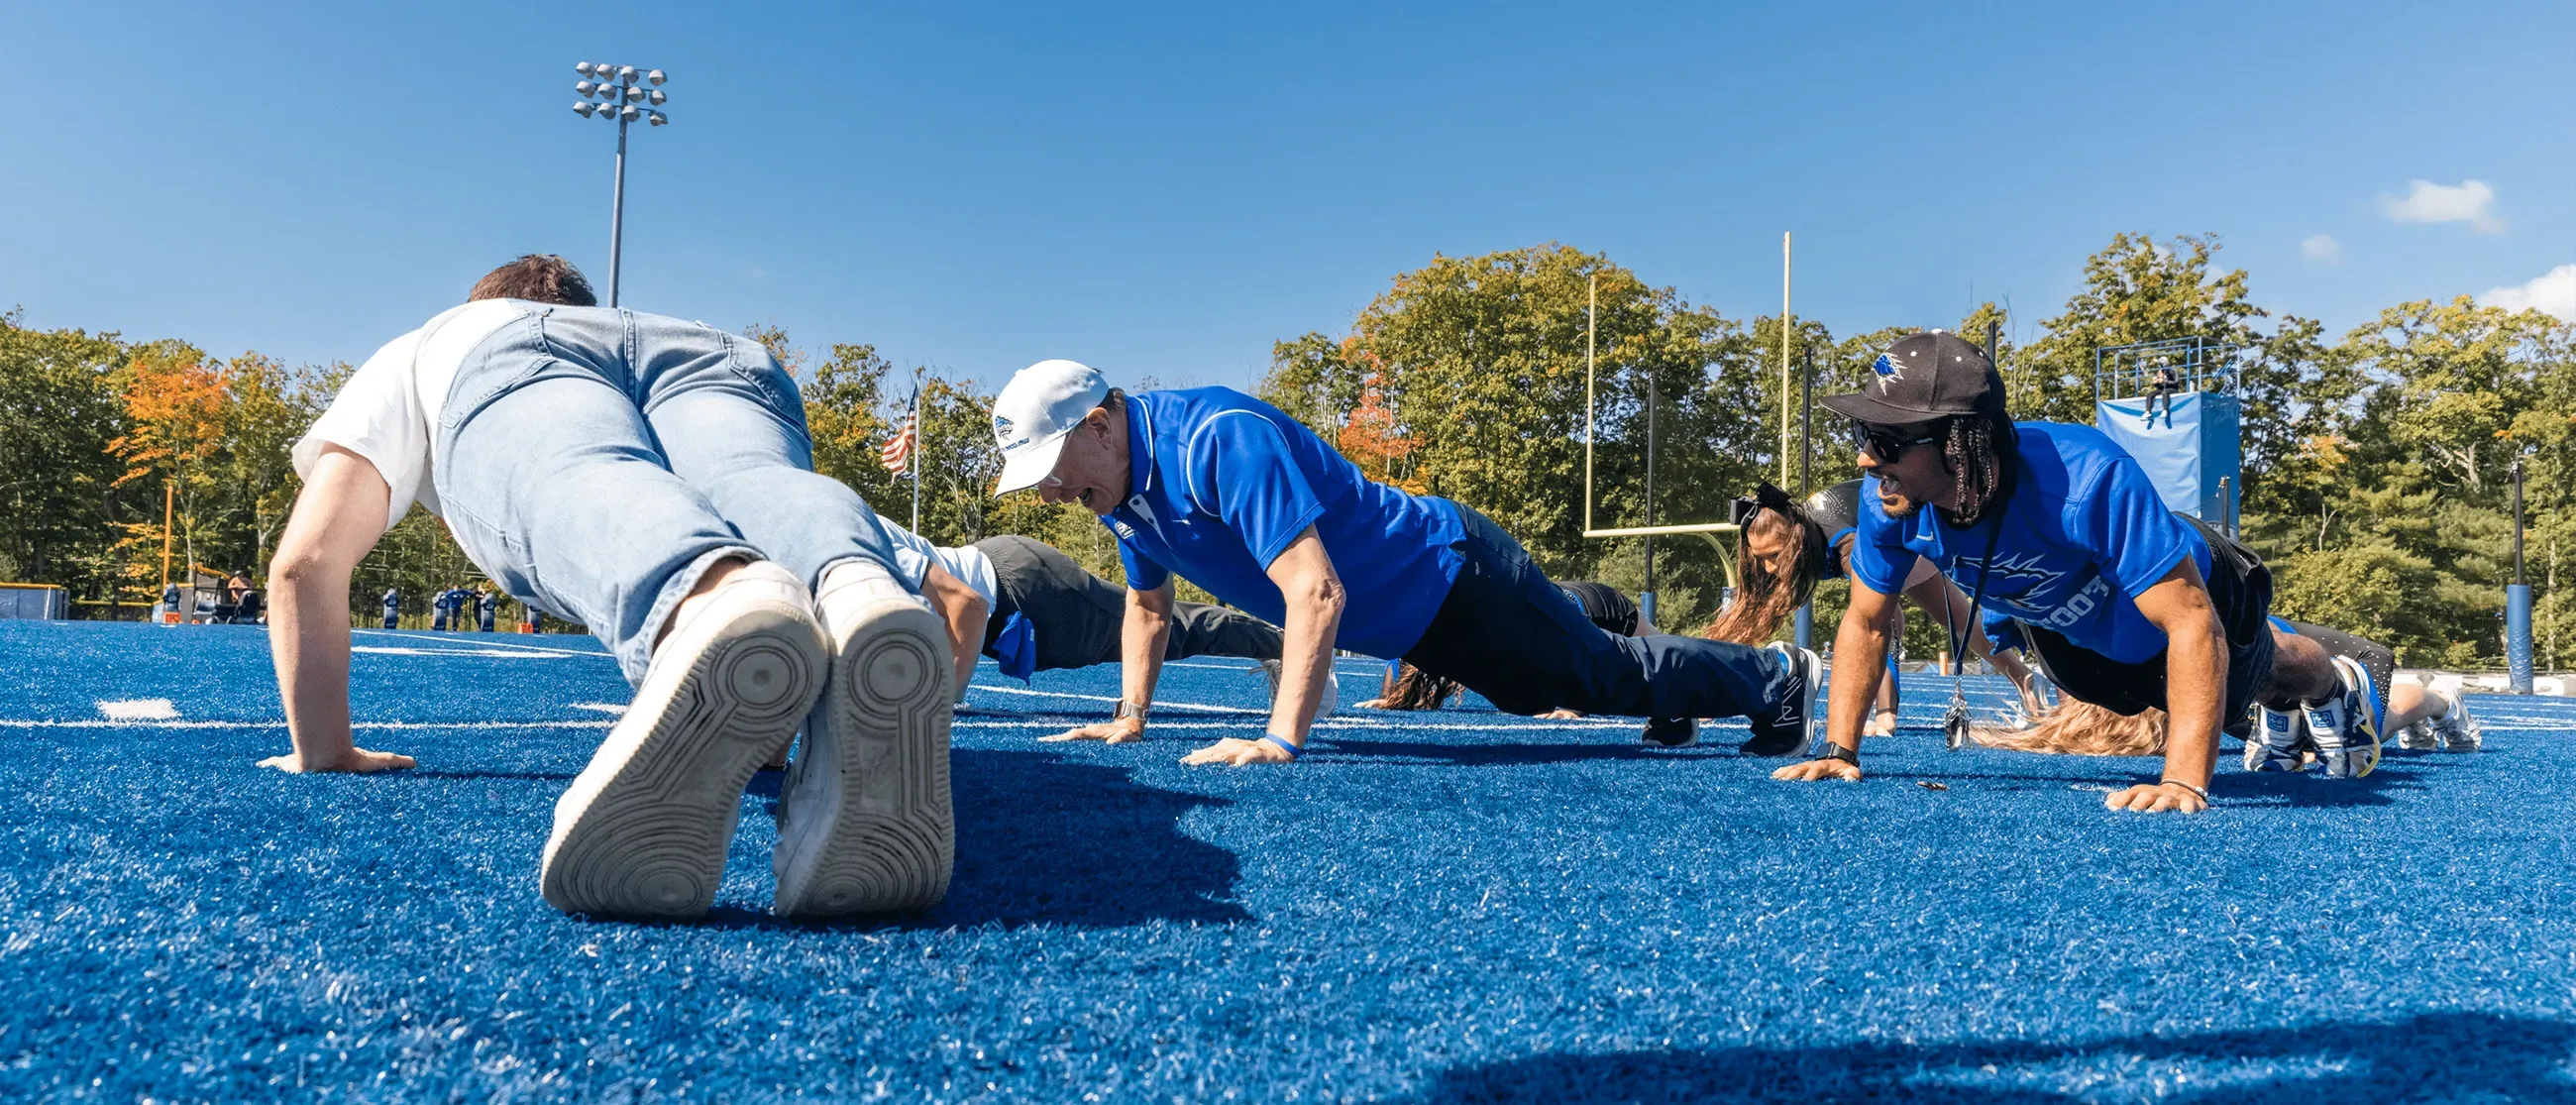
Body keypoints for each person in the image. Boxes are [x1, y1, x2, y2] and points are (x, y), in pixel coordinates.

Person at [261, 254, 953, 921]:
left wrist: (325, 752)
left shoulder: (434, 339)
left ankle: (707, 597)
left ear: (487, 304)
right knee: (754, 483)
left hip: (506, 358)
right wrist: (766, 739)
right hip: (718, 352)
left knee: (578, 468)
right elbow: (764, 662)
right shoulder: (638, 321)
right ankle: (856, 584)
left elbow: (307, 560)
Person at [988, 360, 1823, 764]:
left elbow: (1316, 590)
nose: (1049, 492)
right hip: (1417, 615)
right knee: (1548, 691)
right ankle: (1680, 683)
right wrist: (1131, 713)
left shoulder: (1215, 440)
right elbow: (1146, 608)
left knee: (1597, 677)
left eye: (1050, 466)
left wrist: (1281, 740)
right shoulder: (1121, 494)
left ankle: (1774, 675)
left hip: (1452, 572)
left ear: (1100, 423)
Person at [1774, 331, 2381, 815]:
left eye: (1886, 438)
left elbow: (2193, 624)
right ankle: (2276, 710)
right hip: (2090, 639)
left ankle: (2336, 688)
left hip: (2201, 589)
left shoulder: (2088, 477)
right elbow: (1868, 621)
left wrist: (2183, 782)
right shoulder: (1891, 498)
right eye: (1863, 433)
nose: (1865, 456)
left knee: (2253, 673)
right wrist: (1840, 749)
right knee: (2110, 692)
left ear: (1961, 443)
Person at [1707, 480, 2049, 733]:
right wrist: (1707, 687)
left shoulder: (1838, 539)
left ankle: (1888, 712)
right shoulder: (1790, 545)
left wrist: (1885, 715)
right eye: (1761, 558)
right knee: (1960, 622)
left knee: (1886, 617)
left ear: (1796, 537)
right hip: (1897, 542)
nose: (1768, 568)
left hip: (1916, 530)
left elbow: (1881, 619)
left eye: (1774, 556)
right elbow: (1745, 618)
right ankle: (2027, 681)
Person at [1355, 581, 1650, 719]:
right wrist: (1390, 699)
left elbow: (1570, 647)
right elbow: (1409, 657)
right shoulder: (1449, 625)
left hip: (1604, 609)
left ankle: (1697, 692)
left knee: (1653, 662)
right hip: (1554, 610)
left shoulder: (1505, 624)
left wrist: (1574, 707)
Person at [2145, 364, 2182, 428]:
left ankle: (2165, 410)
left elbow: (2176, 382)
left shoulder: (2172, 371)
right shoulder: (2159, 372)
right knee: (2149, 394)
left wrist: (2165, 381)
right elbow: (2159, 386)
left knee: (2165, 392)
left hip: (2172, 389)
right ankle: (2148, 412)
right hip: (2162, 389)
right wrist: (2156, 383)